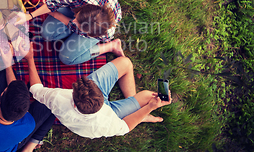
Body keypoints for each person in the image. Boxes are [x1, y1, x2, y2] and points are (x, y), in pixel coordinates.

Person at [28, 52, 172, 138]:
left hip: (92, 116)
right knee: (147, 94)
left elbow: (35, 89)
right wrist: (149, 108)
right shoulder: (107, 124)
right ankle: (138, 113)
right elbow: (126, 126)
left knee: (126, 64)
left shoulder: (59, 98)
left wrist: (29, 58)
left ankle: (136, 110)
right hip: (113, 114)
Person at [18, 0, 123, 65]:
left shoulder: (104, 33)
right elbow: (55, 2)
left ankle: (111, 46)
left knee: (66, 58)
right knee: (46, 34)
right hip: (80, 7)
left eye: (78, 25)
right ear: (82, 9)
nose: (73, 21)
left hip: (89, 26)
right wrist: (30, 16)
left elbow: (71, 23)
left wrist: (55, 14)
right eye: (76, 18)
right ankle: (75, 26)